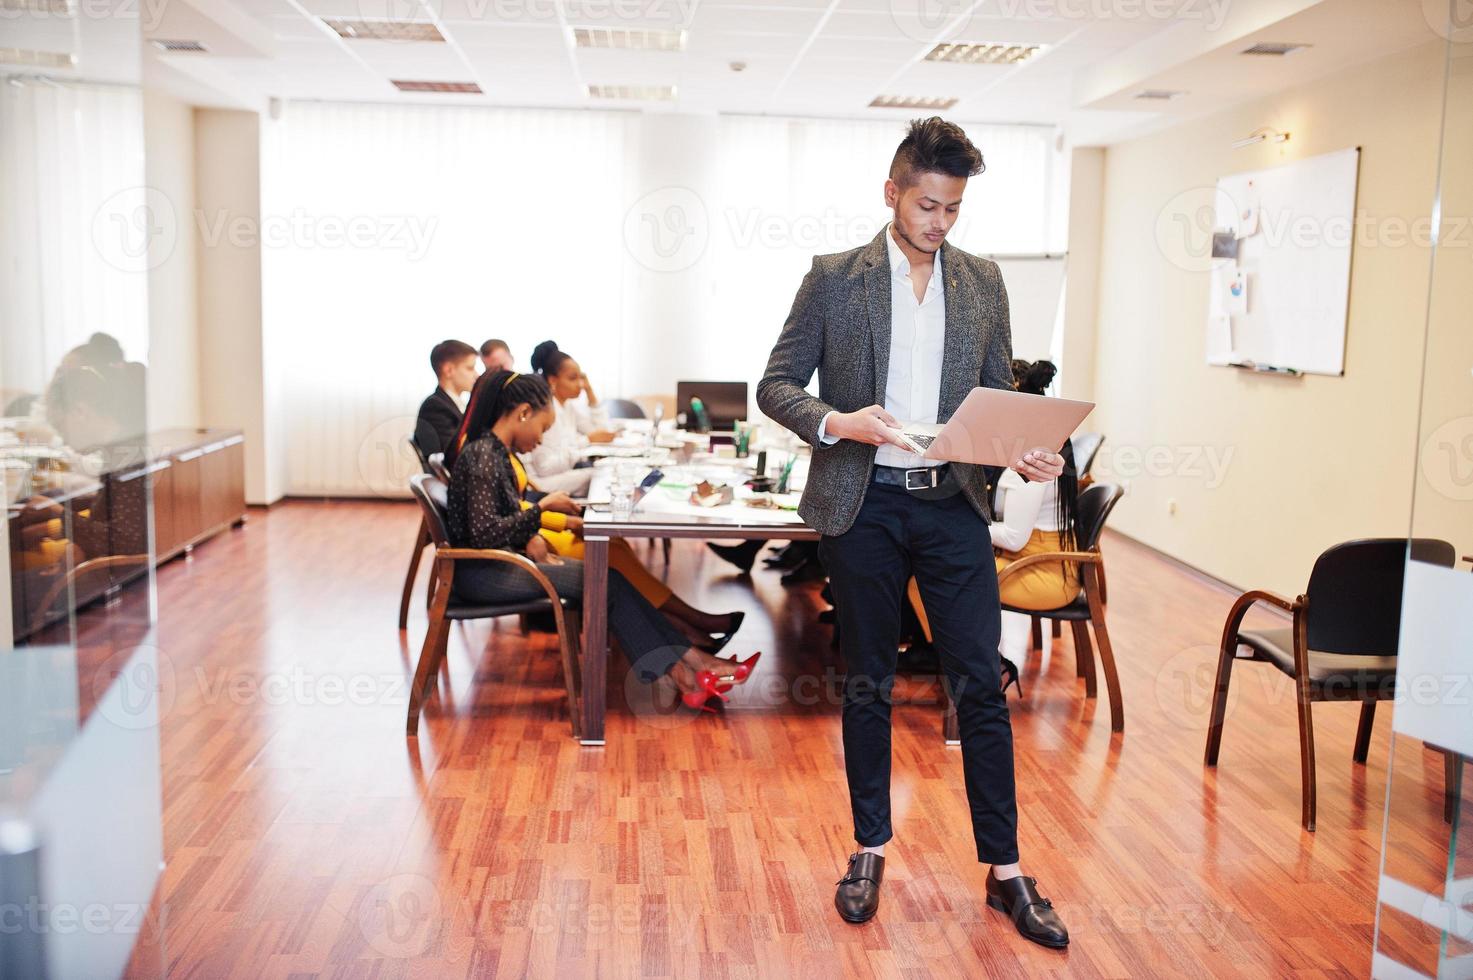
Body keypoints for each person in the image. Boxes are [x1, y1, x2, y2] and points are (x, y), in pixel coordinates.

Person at [756, 117, 1071, 947]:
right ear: (892, 192)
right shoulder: (834, 278)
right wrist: (839, 423)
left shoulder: (982, 281)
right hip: (864, 506)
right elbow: (776, 385)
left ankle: (1006, 873)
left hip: (950, 504)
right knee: (868, 681)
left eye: (953, 208)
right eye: (927, 203)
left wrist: (1024, 452)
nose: (939, 221)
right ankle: (867, 848)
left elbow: (995, 392)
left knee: (979, 684)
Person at [443, 370, 757, 709]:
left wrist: (535, 527)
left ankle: (690, 667)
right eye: (542, 429)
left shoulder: (494, 452)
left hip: (499, 565)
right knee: (606, 583)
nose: (540, 439)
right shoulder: (483, 456)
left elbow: (502, 516)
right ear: (522, 413)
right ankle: (690, 669)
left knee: (611, 580)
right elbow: (484, 532)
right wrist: (540, 513)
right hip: (485, 574)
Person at [988, 360, 1081, 693]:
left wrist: (963, 527)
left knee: (937, 581)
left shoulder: (1032, 459)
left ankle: (989, 668)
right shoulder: (1045, 438)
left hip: (1043, 570)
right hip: (1038, 560)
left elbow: (1014, 537)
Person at [520, 340, 615, 495]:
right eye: (573, 378)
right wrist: (586, 442)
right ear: (553, 380)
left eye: (581, 378)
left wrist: (590, 392)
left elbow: (603, 432)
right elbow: (546, 468)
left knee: (603, 476)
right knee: (600, 477)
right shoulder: (546, 412)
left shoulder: (568, 406)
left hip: (562, 474)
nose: (580, 384)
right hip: (541, 485)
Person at [415, 340, 479, 459]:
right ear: (448, 370)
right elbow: (454, 456)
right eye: (470, 368)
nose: (476, 375)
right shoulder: (434, 407)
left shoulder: (452, 404)